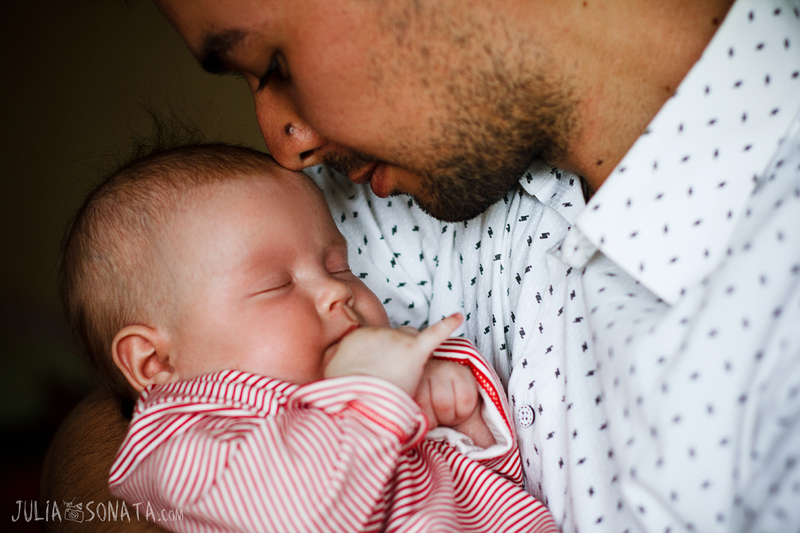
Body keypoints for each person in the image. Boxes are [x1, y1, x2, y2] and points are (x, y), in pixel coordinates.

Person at [43, 0, 800, 531]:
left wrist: (455, 412)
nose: (284, 142)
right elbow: (124, 415)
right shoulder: (399, 177)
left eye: (273, 61)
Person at [59, 142, 559, 532]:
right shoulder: (183, 449)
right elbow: (306, 511)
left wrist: (463, 421)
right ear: (154, 363)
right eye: (277, 285)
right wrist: (372, 391)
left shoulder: (368, 401)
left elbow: (487, 496)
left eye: (339, 267)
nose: (335, 292)